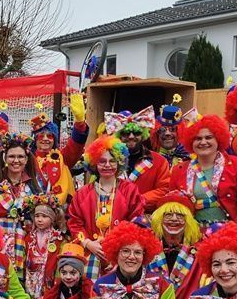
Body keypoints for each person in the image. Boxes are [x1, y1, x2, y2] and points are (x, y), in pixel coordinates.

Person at [66, 134, 146, 281]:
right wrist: (88, 243)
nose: (107, 165)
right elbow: (74, 222)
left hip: (122, 253)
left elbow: (136, 222)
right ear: (94, 164)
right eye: (102, 161)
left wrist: (119, 249)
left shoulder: (130, 190)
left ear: (120, 163)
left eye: (112, 161)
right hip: (90, 253)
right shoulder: (82, 193)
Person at [0, 133, 44, 274]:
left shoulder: (35, 185)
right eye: (12, 156)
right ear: (5, 158)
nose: (16, 160)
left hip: (25, 244)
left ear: (26, 159)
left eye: (20, 157)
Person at [170, 113, 237, 228]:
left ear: (218, 139)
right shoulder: (178, 170)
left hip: (227, 233)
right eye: (198, 138)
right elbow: (173, 207)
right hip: (193, 235)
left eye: (208, 137)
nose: (203, 142)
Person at [145, 191, 208, 299]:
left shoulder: (200, 249)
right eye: (168, 214)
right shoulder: (146, 246)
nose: (174, 219)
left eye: (180, 215)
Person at [105, 107, 171, 211]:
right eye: (126, 133)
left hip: (144, 219)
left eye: (136, 133)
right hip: (112, 215)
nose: (131, 136)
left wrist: (138, 200)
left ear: (144, 134)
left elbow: (164, 189)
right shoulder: (108, 161)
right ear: (119, 136)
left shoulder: (159, 161)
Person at [22, 194, 65, 299]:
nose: (39, 220)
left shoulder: (58, 239)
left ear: (52, 218)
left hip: (48, 278)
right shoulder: (28, 237)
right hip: (30, 276)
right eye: (37, 216)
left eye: (44, 216)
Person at [29, 110, 75, 204]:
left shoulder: (62, 156)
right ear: (35, 140)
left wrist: (79, 122)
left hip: (59, 209)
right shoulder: (27, 159)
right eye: (41, 136)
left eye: (49, 136)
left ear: (54, 140)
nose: (45, 139)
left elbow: (76, 146)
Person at [150, 96, 188, 166]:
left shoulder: (190, 159)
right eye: (162, 130)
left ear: (180, 132)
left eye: (173, 129)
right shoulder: (150, 161)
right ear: (156, 133)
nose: (167, 133)